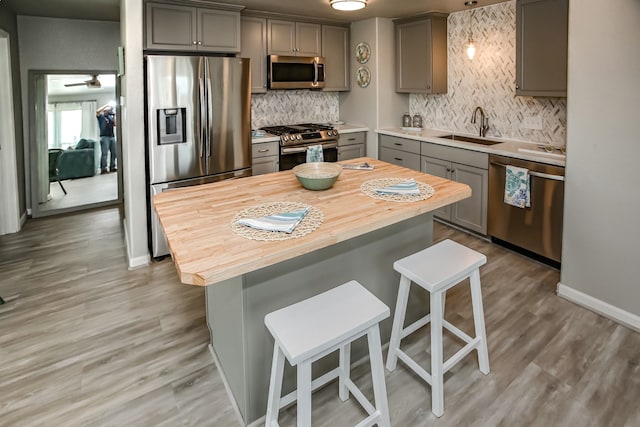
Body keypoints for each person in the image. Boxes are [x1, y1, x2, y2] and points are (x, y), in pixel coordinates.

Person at [96, 104, 117, 174]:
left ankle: (112, 167)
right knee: (104, 154)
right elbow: (97, 111)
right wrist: (106, 105)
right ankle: (103, 169)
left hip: (112, 136)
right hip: (104, 137)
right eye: (106, 110)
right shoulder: (101, 117)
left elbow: (115, 124)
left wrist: (114, 116)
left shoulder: (110, 117)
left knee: (114, 153)